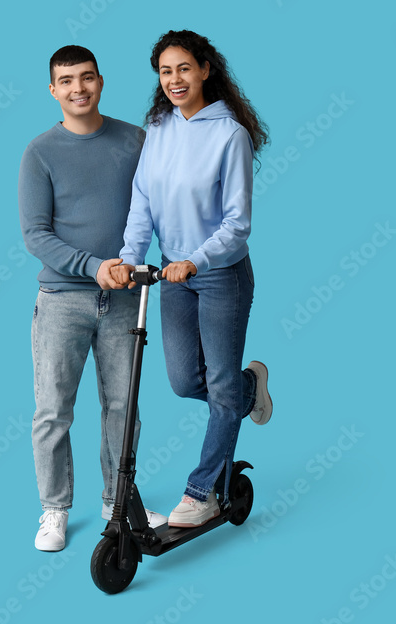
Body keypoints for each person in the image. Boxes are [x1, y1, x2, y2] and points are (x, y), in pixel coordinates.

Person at [112, 30, 273, 528]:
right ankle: (251, 389)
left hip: (220, 274)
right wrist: (129, 257)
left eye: (184, 68)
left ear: (205, 69)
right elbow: (142, 199)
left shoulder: (230, 135)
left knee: (219, 387)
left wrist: (197, 261)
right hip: (171, 272)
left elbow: (237, 223)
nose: (174, 79)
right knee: (185, 382)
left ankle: (203, 491)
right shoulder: (158, 128)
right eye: (165, 71)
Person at [18, 45, 166, 552]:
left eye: (86, 77)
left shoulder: (134, 141)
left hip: (125, 298)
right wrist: (93, 267)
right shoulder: (40, 153)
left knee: (124, 407)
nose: (77, 88)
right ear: (53, 90)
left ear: (101, 81)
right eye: (66, 80)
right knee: (52, 411)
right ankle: (54, 509)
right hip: (62, 300)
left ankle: (116, 502)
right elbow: (36, 235)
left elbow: (157, 204)